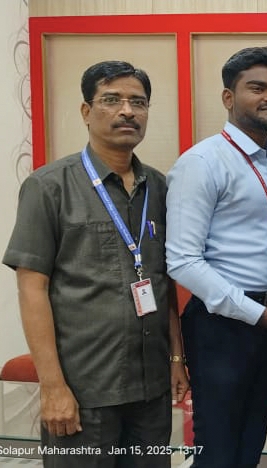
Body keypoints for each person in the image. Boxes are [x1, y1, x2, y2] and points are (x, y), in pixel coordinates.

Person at [2, 60, 189, 468]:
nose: (127, 111)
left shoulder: (159, 187)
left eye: (138, 102)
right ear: (86, 111)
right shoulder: (48, 187)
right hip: (84, 390)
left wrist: (176, 359)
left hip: (151, 389)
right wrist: (52, 386)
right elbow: (32, 289)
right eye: (112, 100)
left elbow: (163, 281)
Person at [165, 46, 267, 468]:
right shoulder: (202, 162)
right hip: (223, 328)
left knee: (250, 447)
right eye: (257, 88)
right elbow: (182, 260)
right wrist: (257, 315)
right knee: (217, 450)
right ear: (228, 98)